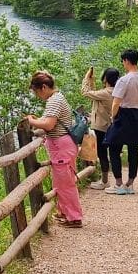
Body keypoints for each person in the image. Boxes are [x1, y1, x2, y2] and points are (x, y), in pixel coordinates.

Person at [23, 71, 83, 227]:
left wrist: (31, 121)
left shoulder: (54, 101)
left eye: (36, 91)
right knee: (62, 182)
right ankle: (66, 213)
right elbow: (51, 122)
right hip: (62, 146)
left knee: (66, 183)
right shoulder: (57, 98)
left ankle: (74, 217)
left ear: (43, 87)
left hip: (61, 147)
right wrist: (39, 121)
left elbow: (49, 124)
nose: (37, 95)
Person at [103, 48, 138, 194]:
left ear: (126, 61)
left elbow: (116, 102)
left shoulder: (124, 80)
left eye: (123, 61)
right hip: (137, 114)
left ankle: (118, 183)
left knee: (113, 147)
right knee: (133, 150)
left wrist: (113, 117)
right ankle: (130, 183)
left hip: (123, 115)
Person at [80, 66, 119, 190]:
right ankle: (116, 181)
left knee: (102, 154)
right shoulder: (116, 91)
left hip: (102, 126)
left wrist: (86, 78)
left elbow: (85, 92)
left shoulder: (106, 92)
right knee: (113, 154)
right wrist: (92, 80)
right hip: (112, 126)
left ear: (106, 78)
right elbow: (94, 93)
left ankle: (105, 181)